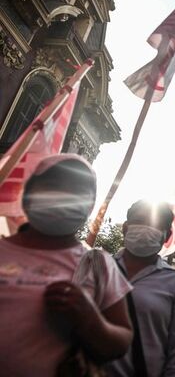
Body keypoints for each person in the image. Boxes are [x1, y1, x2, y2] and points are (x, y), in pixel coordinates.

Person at [0, 154, 133, 376]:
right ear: (28, 194)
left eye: (78, 194)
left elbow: (122, 341)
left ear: (90, 207)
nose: (64, 197)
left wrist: (91, 319)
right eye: (53, 186)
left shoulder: (98, 263)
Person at [106, 200, 175, 377]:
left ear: (167, 235)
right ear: (125, 227)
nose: (146, 229)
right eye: (139, 220)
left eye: (155, 225)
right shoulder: (98, 269)